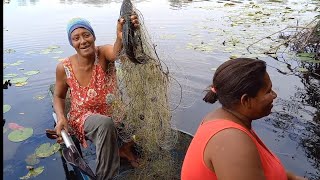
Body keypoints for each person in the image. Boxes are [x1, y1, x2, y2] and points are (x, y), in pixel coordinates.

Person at [46, 16, 140, 180]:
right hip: (83, 117)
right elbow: (59, 96)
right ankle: (105, 177)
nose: (83, 41)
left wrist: (122, 35)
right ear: (72, 43)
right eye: (76, 38)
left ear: (93, 36)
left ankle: (123, 148)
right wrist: (61, 118)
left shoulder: (103, 54)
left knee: (147, 116)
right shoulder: (64, 68)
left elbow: (117, 52)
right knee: (105, 124)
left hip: (114, 112)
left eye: (86, 35)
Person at [181, 58, 306, 180]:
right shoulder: (231, 141)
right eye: (268, 92)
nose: (274, 95)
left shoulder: (224, 117)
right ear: (246, 100)